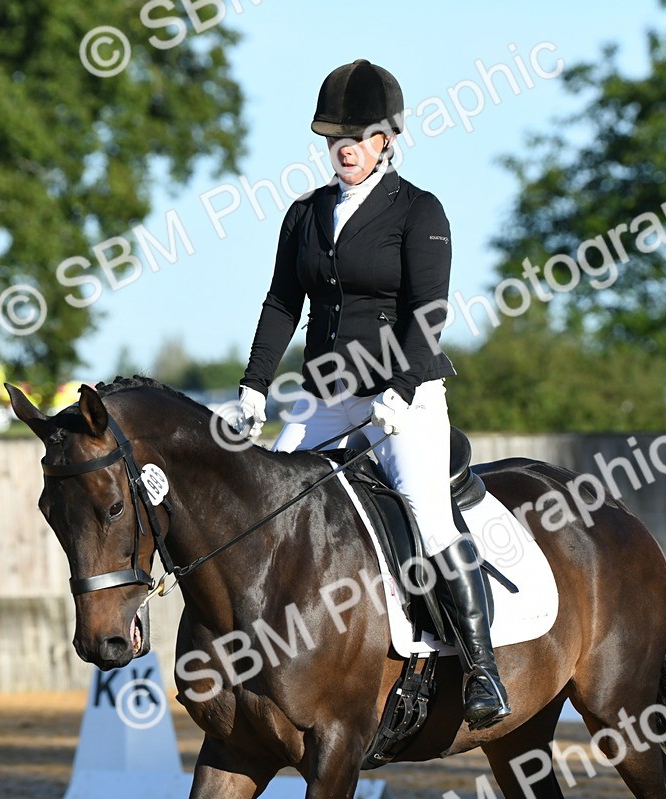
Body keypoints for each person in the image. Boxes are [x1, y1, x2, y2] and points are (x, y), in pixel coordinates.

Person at [234, 59, 511, 730]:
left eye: (358, 136)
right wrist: (253, 385)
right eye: (335, 137)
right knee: (265, 501)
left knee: (426, 509)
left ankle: (482, 669)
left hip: (404, 393)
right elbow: (281, 303)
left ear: (387, 138)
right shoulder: (306, 214)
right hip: (326, 394)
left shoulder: (418, 211)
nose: (345, 148)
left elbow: (429, 312)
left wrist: (403, 386)